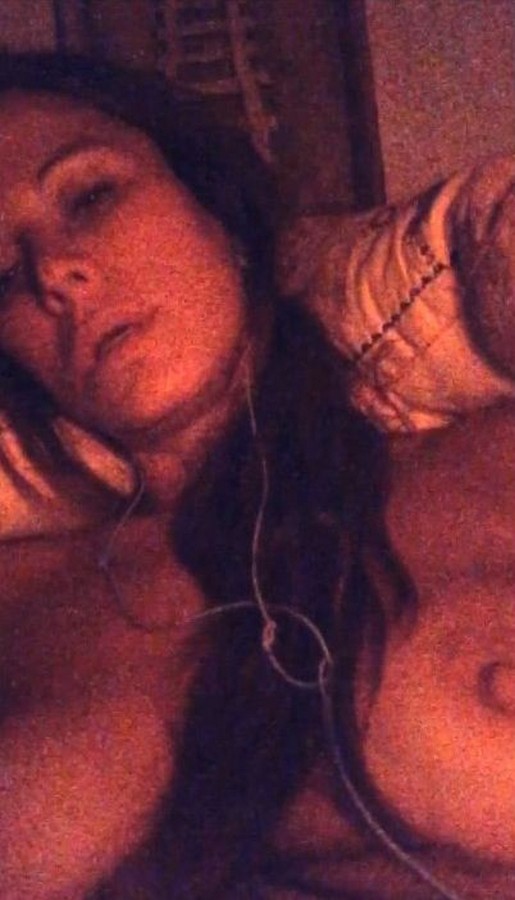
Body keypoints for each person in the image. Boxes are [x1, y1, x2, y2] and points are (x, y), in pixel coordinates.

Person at [0, 51, 514, 900]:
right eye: (2, 277)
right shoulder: (23, 594)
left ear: (220, 215)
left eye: (90, 197)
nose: (54, 272)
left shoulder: (484, 470)